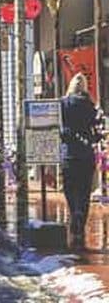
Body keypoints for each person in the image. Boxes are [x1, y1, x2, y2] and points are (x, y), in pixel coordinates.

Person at [60, 73, 100, 249]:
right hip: (86, 154)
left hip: (68, 153)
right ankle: (80, 222)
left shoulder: (64, 104)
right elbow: (97, 129)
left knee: (70, 188)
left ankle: (73, 211)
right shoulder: (90, 105)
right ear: (84, 87)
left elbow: (60, 128)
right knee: (84, 191)